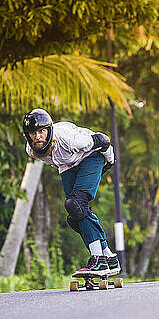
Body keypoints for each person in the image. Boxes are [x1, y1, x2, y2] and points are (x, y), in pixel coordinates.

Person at [22, 108, 121, 277]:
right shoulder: (31, 150)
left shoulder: (69, 139)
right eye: (33, 133)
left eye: (41, 132)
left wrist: (110, 161)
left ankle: (98, 260)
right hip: (68, 165)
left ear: (49, 130)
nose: (38, 137)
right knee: (74, 216)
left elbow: (102, 140)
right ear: (27, 135)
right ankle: (109, 257)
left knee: (76, 204)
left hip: (91, 155)